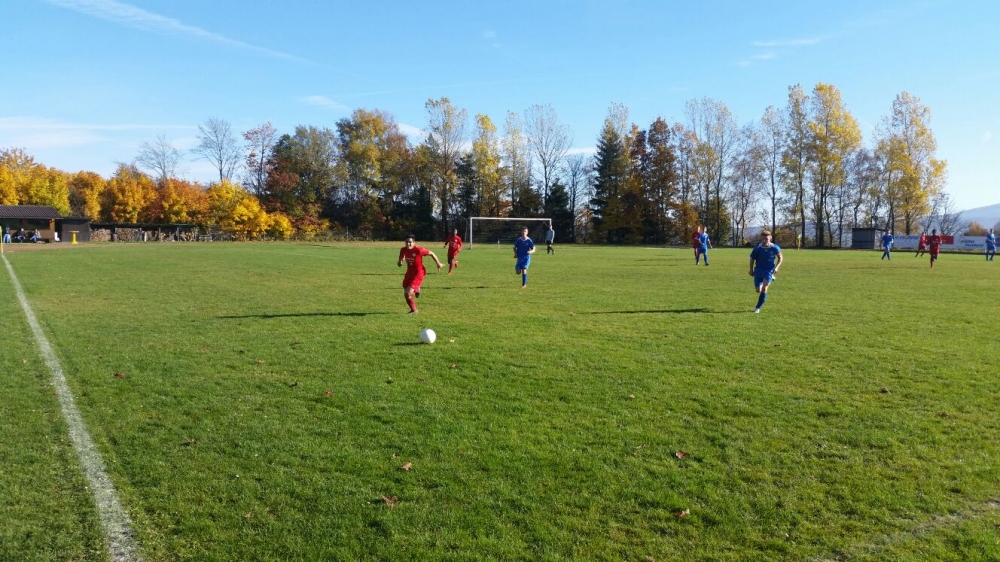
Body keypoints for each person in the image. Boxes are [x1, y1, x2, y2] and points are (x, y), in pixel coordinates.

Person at [397, 234, 443, 314]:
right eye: (407, 242)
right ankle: (417, 289)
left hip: (418, 274)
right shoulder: (403, 250)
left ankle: (414, 310)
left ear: (414, 243)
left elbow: (431, 253)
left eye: (410, 242)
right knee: (406, 290)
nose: (408, 244)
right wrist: (401, 261)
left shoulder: (418, 250)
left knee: (407, 293)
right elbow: (399, 264)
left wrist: (438, 263)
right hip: (409, 274)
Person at [749, 229, 783, 314]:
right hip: (758, 270)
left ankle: (758, 308)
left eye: (766, 239)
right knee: (758, 290)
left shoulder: (774, 247)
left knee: (764, 289)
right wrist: (751, 269)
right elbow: (752, 259)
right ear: (761, 238)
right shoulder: (757, 248)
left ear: (770, 238)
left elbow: (780, 258)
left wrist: (776, 268)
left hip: (769, 270)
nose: (765, 240)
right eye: (763, 238)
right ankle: (765, 281)